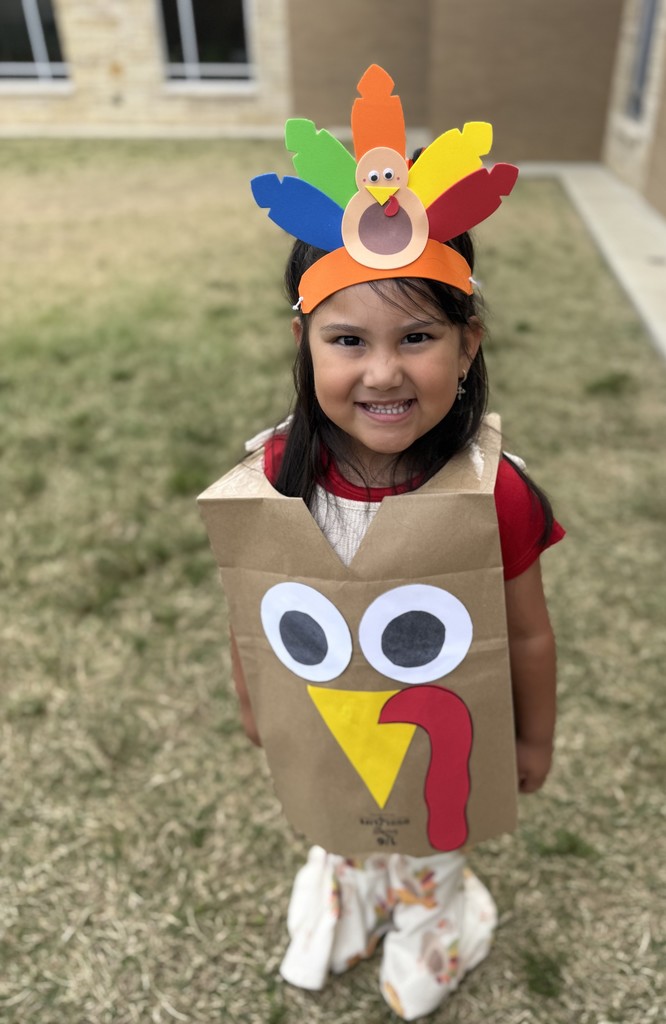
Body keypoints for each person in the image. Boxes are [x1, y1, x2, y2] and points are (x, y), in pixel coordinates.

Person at [214, 66, 564, 1020]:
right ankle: (355, 893)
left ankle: (434, 917)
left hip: (442, 738)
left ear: (470, 343)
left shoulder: (496, 494)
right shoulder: (275, 477)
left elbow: (525, 633)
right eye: (346, 340)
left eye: (417, 338)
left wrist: (533, 734)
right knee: (345, 823)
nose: (382, 372)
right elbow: (256, 614)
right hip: (329, 730)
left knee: (431, 835)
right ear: (306, 345)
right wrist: (257, 703)